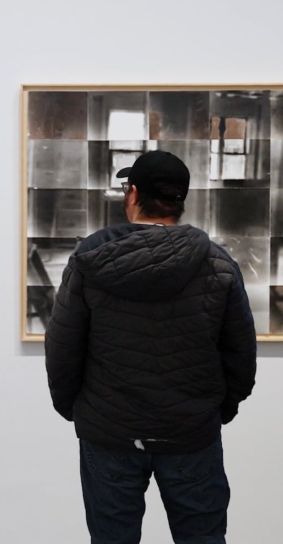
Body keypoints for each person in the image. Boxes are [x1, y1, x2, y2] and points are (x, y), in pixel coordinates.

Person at [45, 150, 257, 544]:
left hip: (109, 433)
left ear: (133, 194)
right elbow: (241, 358)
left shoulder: (89, 261)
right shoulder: (218, 264)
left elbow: (62, 349)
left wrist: (78, 411)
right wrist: (215, 412)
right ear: (180, 200)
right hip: (190, 432)